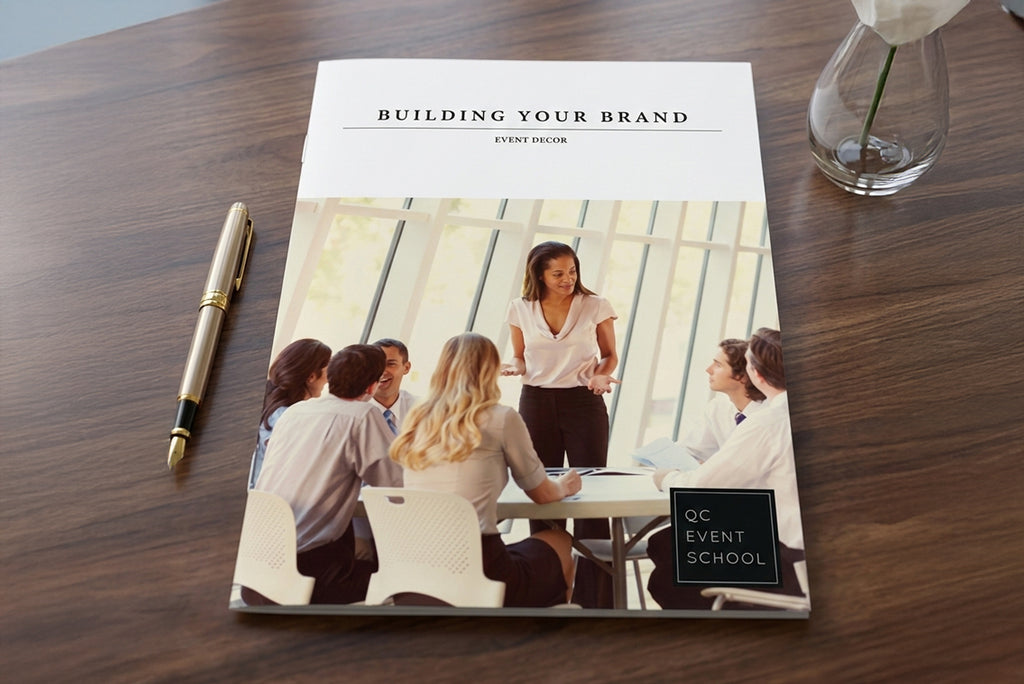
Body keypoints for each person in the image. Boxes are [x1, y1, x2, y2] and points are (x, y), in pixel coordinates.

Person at [391, 333, 582, 607]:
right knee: (559, 540)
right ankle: (541, 641)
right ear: (489, 370)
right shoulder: (501, 418)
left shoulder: (416, 418)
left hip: (416, 570)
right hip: (480, 570)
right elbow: (542, 494)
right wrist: (564, 485)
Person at [645, 327, 806, 610]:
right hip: (801, 549)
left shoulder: (767, 423)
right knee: (667, 544)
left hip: (788, 561)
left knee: (666, 574)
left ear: (754, 374)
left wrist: (665, 477)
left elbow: (698, 488)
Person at [500, 240, 619, 607]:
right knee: (542, 486)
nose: (568, 279)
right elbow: (521, 359)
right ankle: (551, 589)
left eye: (572, 271)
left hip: (584, 400)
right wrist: (514, 367)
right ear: (539, 274)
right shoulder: (520, 308)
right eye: (558, 273)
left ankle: (595, 596)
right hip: (535, 400)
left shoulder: (595, 305)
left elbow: (610, 355)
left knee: (591, 485)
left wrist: (600, 377)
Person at [251, 344, 403, 604]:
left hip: (256, 572)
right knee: (404, 584)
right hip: (309, 577)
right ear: (372, 386)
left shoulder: (296, 412)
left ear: (330, 378)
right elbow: (397, 489)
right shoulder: (362, 415)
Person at [248, 338, 331, 488]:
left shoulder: (268, 406)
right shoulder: (288, 417)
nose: (328, 379)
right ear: (311, 377)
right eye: (328, 370)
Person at [682, 338, 766, 464]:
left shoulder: (770, 416)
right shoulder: (717, 408)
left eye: (718, 365)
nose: (708, 370)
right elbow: (691, 450)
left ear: (742, 376)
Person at [370, 338, 417, 433]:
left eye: (390, 364)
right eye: (375, 364)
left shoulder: (419, 410)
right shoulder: (352, 412)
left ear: (406, 368)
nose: (382, 371)